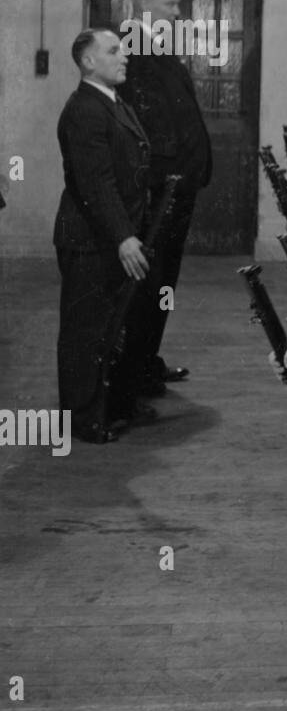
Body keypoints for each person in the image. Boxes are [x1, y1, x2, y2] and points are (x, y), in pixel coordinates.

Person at [54, 30, 151, 442]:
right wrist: (124, 237)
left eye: (124, 50)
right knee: (85, 329)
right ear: (88, 62)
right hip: (90, 240)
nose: (124, 56)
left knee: (106, 325)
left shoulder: (111, 102)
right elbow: (96, 184)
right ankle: (82, 419)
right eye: (113, 51)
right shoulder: (84, 110)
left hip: (108, 236)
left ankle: (102, 405)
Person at [118, 0, 212, 395]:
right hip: (161, 191)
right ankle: (132, 373)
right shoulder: (133, 51)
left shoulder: (154, 47)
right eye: (171, 5)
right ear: (144, 8)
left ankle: (145, 363)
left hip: (175, 188)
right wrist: (166, 180)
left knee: (162, 282)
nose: (179, 13)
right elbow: (147, 129)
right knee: (151, 283)